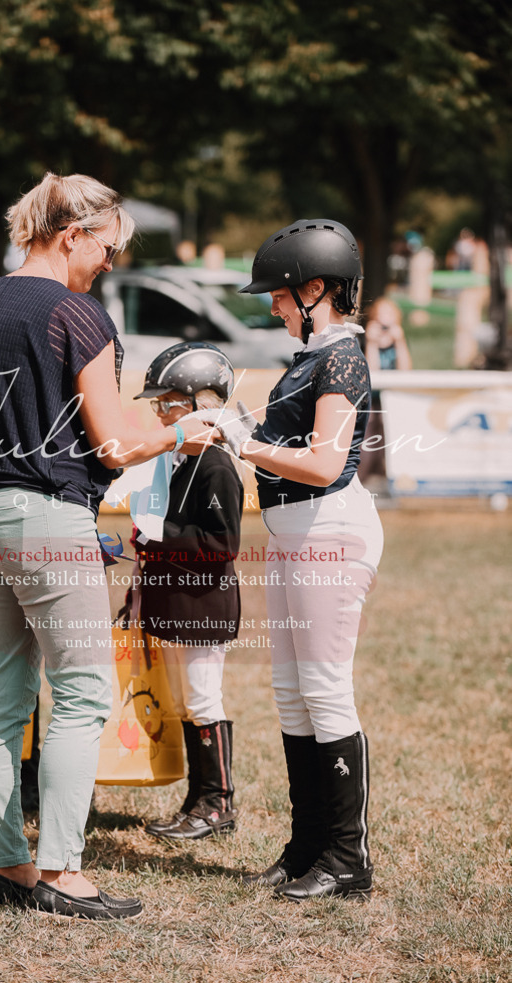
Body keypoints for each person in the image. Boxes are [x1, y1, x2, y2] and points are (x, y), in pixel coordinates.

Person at [0, 172, 212, 921]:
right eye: (109, 246)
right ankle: (61, 869)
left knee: (0, 699)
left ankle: (9, 868)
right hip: (47, 520)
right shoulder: (76, 314)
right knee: (83, 693)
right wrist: (182, 433)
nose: (111, 263)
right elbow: (116, 442)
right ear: (72, 235)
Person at [216, 219, 383, 901]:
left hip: (328, 531)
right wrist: (234, 428)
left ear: (316, 289)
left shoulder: (341, 360)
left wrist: (246, 446)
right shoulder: (309, 358)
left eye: (282, 295)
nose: (275, 306)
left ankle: (348, 857)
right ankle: (306, 844)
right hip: (293, 536)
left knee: (323, 688)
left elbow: (321, 463)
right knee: (291, 693)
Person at [130, 342, 243, 840]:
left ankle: (218, 804)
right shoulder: (178, 461)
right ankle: (198, 801)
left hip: (204, 606)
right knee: (186, 704)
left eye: (168, 403)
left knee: (203, 701)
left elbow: (222, 543)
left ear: (203, 404)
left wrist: (158, 538)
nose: (161, 415)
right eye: (158, 405)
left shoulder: (215, 464)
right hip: (181, 605)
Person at [358, 296, 412, 484]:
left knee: (393, 440)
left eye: (389, 315)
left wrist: (399, 341)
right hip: (370, 399)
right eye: (380, 315)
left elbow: (406, 371)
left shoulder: (399, 340)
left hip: (395, 400)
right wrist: (372, 343)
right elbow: (370, 373)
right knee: (368, 438)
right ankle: (363, 479)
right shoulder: (364, 341)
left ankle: (391, 479)